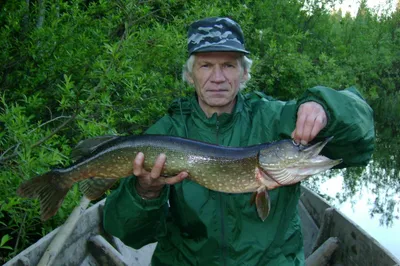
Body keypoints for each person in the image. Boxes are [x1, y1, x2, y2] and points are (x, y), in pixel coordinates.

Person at [103, 17, 374, 265]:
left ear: (243, 73)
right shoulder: (167, 130)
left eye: (228, 65)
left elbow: (360, 141)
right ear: (190, 74)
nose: (218, 78)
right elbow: (126, 232)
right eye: (206, 65)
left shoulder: (276, 119)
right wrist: (145, 193)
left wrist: (327, 108)